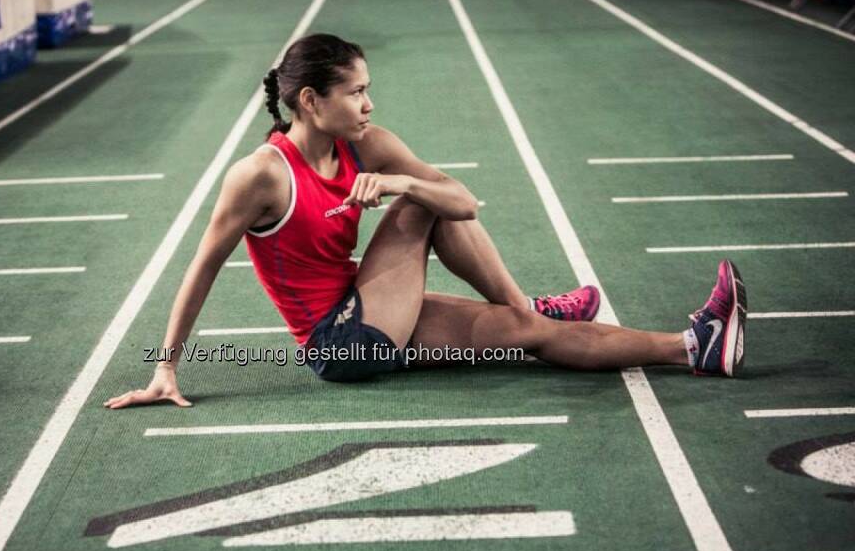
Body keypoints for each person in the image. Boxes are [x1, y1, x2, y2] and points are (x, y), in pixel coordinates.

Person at [104, 34, 746, 410]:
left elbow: (465, 204)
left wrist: (401, 179)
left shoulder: (368, 143)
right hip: (340, 343)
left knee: (527, 328)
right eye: (355, 91)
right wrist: (166, 367)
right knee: (421, 207)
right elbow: (202, 268)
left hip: (373, 310)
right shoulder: (261, 176)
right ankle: (529, 299)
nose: (368, 102)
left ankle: (693, 346)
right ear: (309, 100)